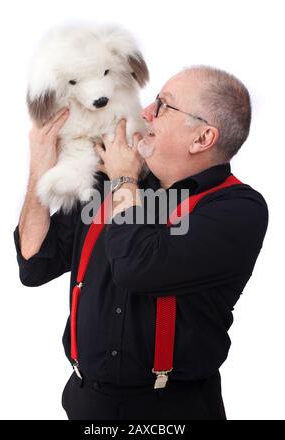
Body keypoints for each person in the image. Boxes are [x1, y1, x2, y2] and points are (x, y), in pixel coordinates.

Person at [13, 65, 268, 420]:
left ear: (202, 138)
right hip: (86, 404)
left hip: (173, 411)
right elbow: (34, 261)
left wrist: (122, 178)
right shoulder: (111, 185)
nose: (145, 112)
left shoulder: (237, 209)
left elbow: (137, 266)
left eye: (163, 105)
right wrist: (42, 163)